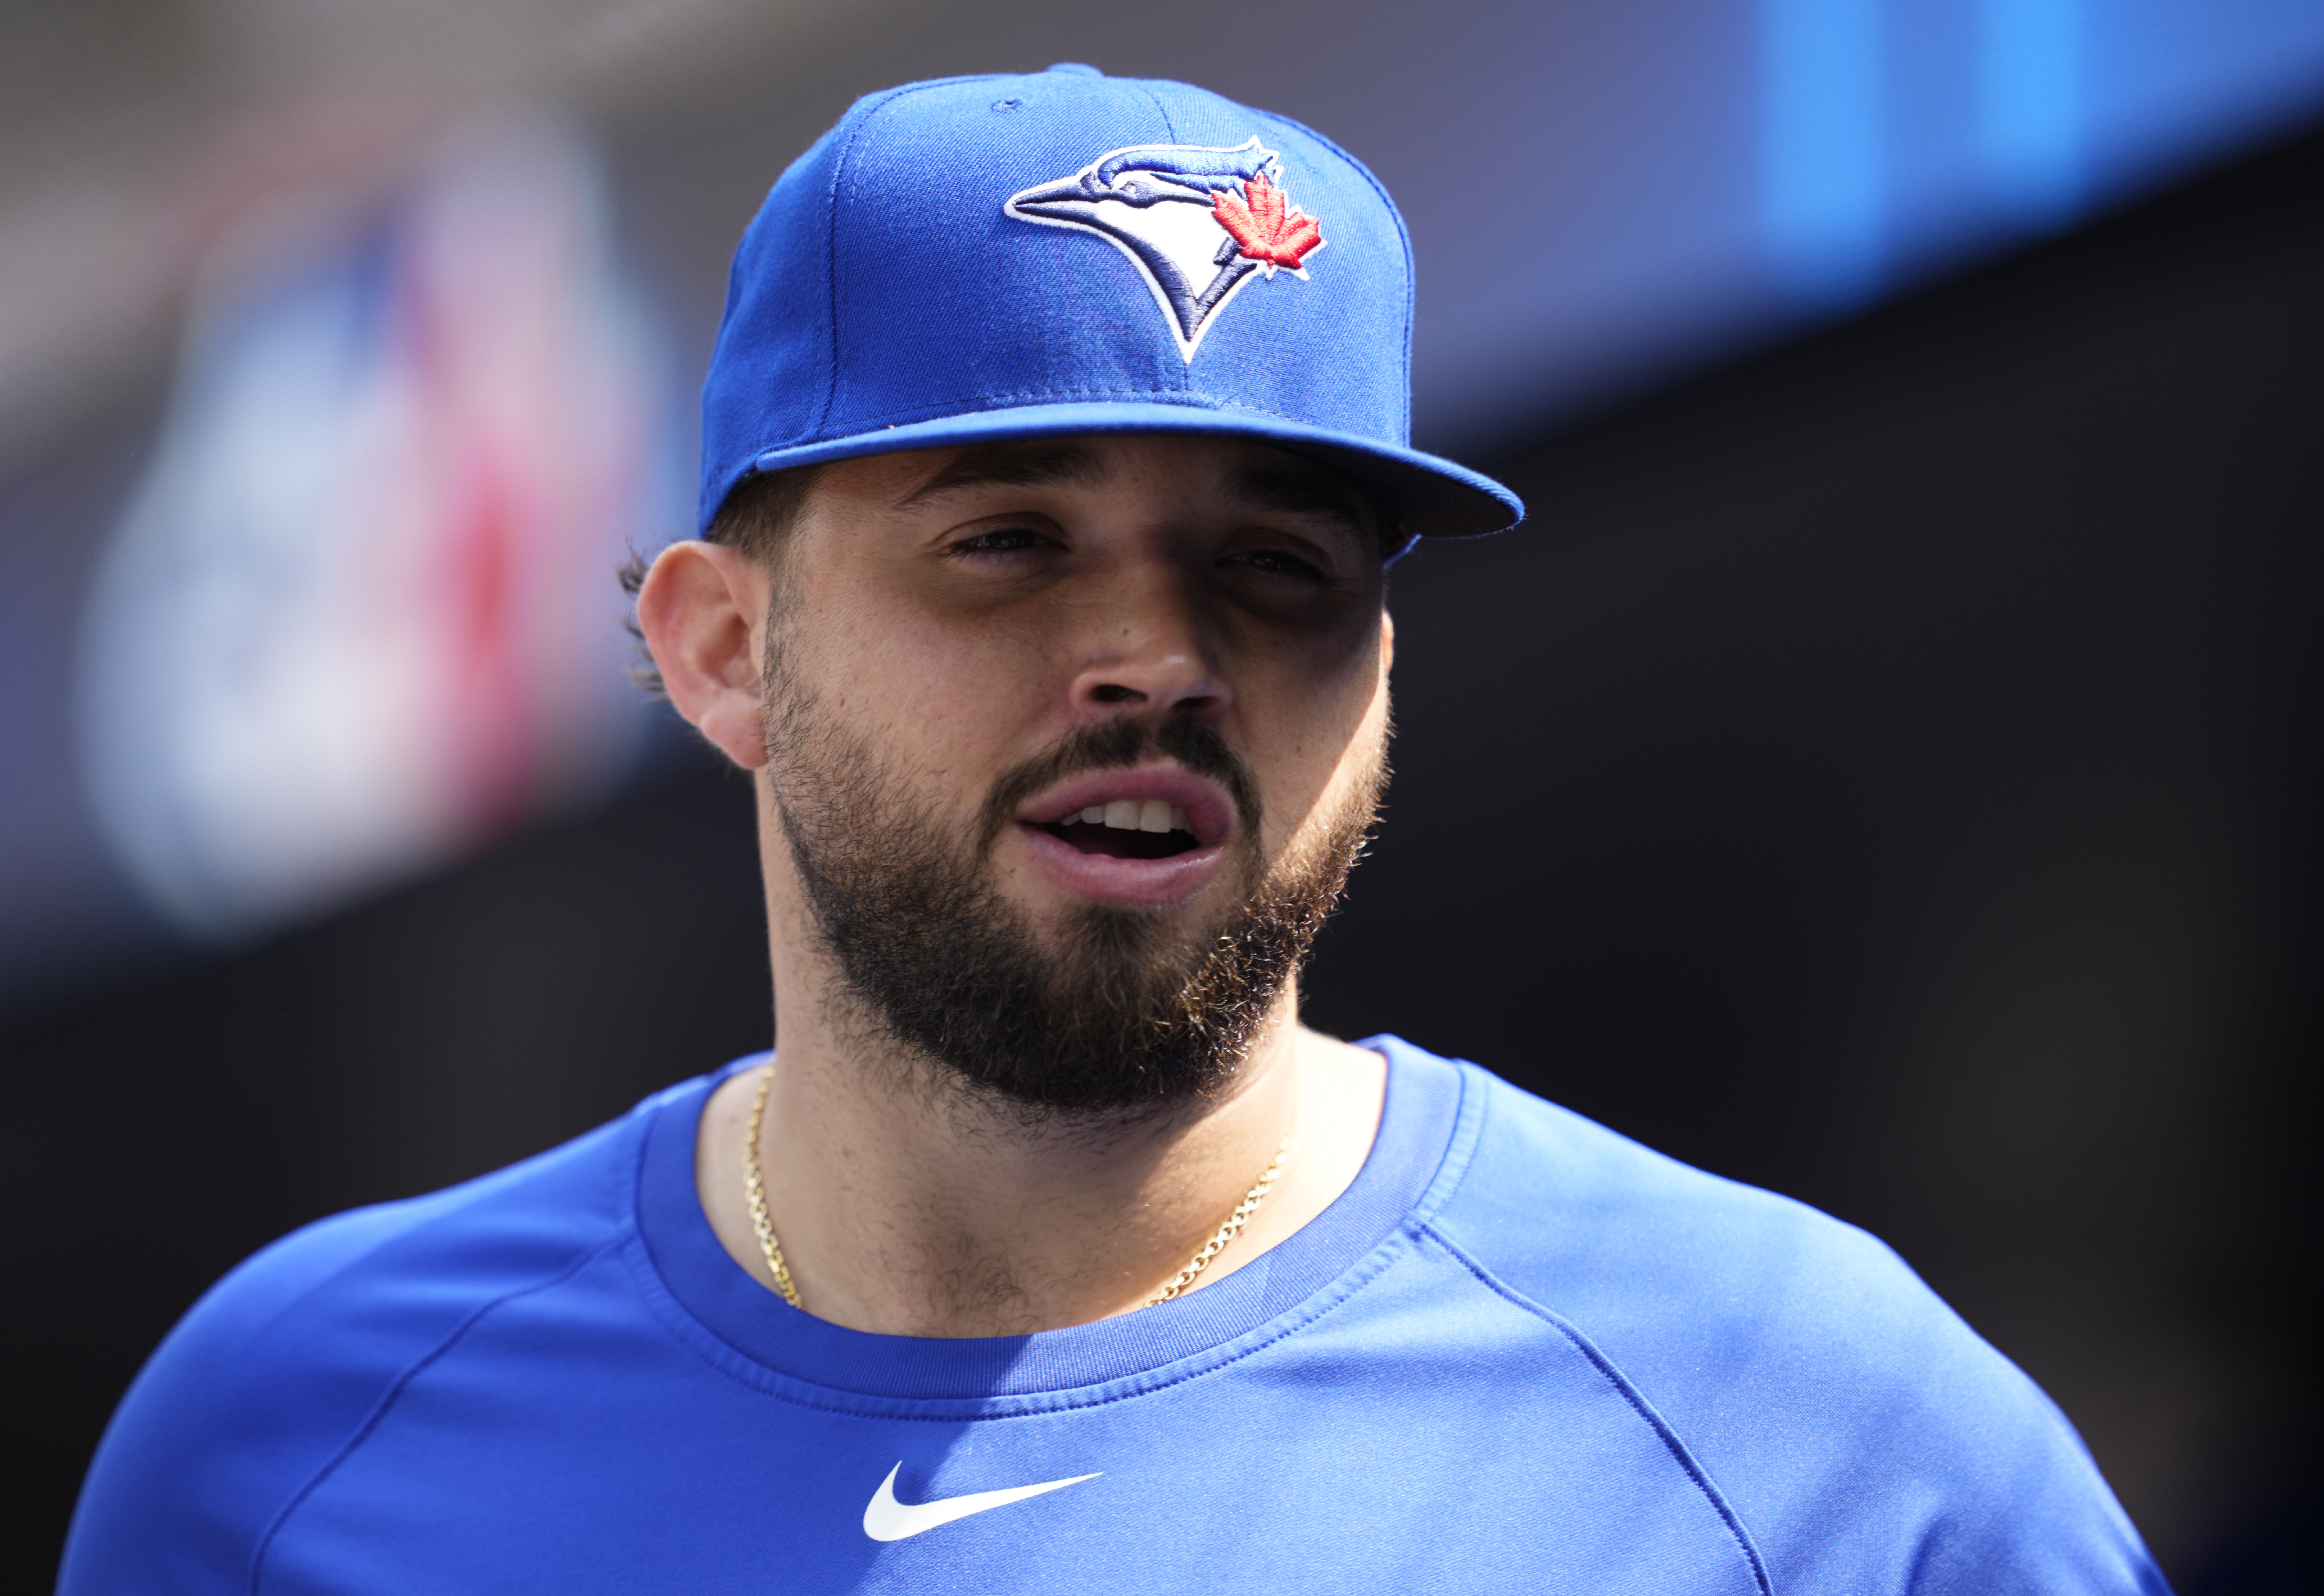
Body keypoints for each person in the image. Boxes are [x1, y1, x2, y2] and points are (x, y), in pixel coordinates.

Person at [60, 65, 2169, 1595]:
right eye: (1007, 541)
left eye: (1279, 568)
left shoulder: (1810, 1433)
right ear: (718, 648)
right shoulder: (298, 1438)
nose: (1157, 656)